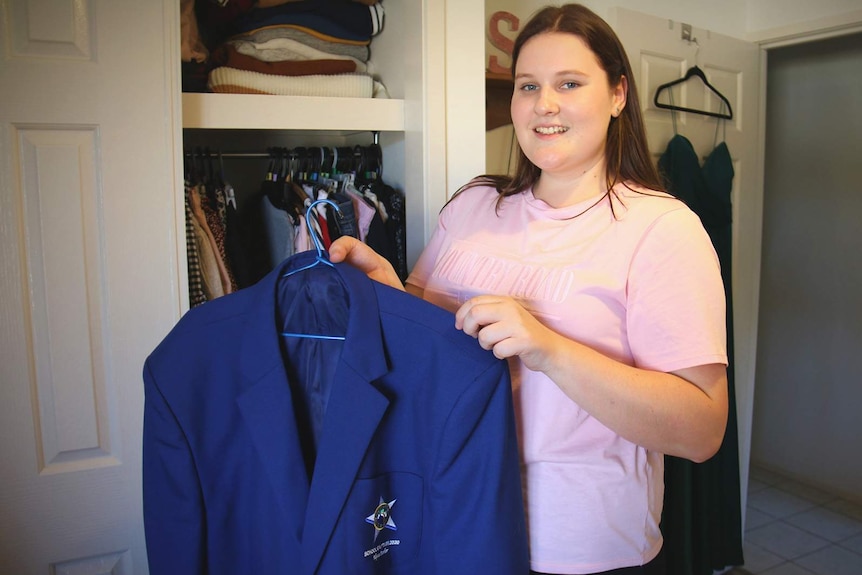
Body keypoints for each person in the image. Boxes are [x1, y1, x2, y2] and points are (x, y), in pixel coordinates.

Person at [330, 4, 729, 574]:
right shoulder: (474, 205)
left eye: (569, 83)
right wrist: (385, 288)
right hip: (453, 515)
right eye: (528, 85)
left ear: (617, 95)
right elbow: (428, 347)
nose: (545, 104)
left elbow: (702, 429)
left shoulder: (661, 230)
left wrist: (548, 349)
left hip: (576, 548)